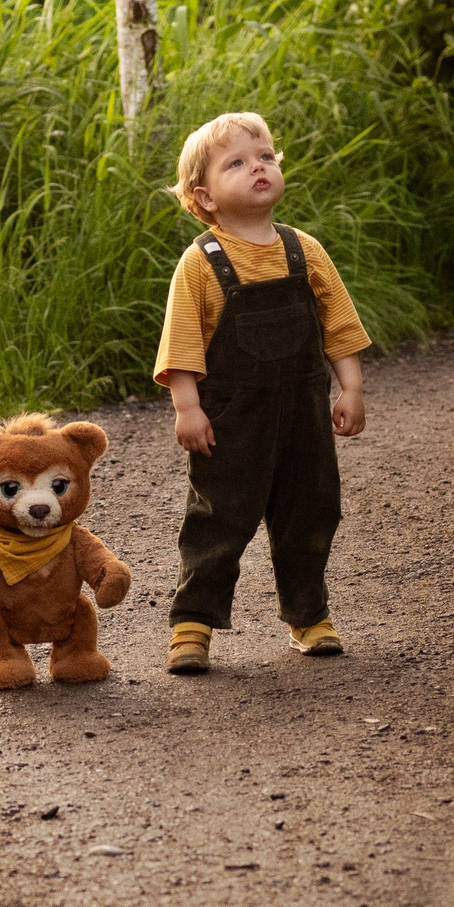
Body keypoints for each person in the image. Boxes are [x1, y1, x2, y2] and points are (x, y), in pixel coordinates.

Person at [154, 111, 369, 674]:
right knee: (217, 520)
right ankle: (192, 625)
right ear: (205, 197)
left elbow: (339, 325)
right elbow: (180, 343)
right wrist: (187, 407)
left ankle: (309, 615)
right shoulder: (201, 264)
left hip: (302, 414)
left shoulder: (304, 250)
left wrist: (350, 387)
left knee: (311, 512)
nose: (258, 168)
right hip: (233, 418)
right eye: (237, 163)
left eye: (266, 157)